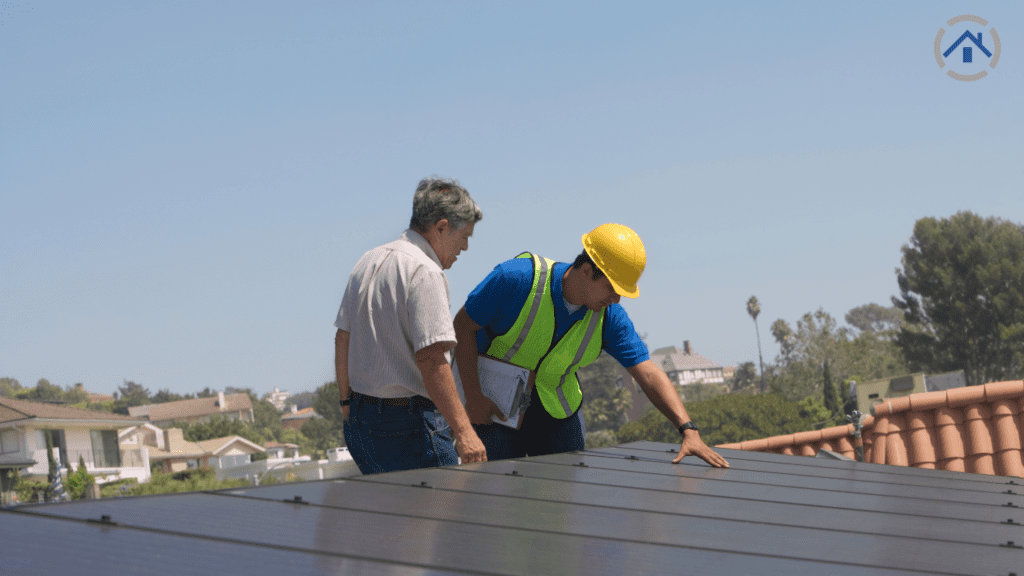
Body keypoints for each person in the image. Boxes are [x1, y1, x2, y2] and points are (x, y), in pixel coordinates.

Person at [453, 223, 729, 468]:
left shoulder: (609, 317)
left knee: (560, 507)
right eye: (612, 289)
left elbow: (647, 373)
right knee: (492, 498)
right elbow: (462, 327)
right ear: (586, 271)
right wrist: (474, 398)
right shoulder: (516, 279)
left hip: (557, 414)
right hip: (494, 407)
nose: (617, 300)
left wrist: (688, 430)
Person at [334, 176, 487, 474]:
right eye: (464, 236)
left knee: (393, 520)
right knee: (444, 518)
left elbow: (343, 338)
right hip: (409, 428)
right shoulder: (425, 271)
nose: (466, 247)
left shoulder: (368, 260)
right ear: (442, 227)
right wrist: (465, 433)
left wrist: (346, 405)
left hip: (362, 422)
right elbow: (432, 359)